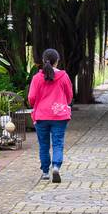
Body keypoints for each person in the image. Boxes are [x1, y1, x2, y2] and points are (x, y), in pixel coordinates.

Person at [27, 48, 73, 182]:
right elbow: (69, 96)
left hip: (41, 116)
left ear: (43, 61)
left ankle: (45, 172)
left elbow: (31, 98)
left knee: (44, 144)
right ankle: (56, 167)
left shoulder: (36, 78)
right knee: (58, 143)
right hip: (59, 116)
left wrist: (38, 105)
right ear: (57, 62)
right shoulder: (63, 76)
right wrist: (64, 103)